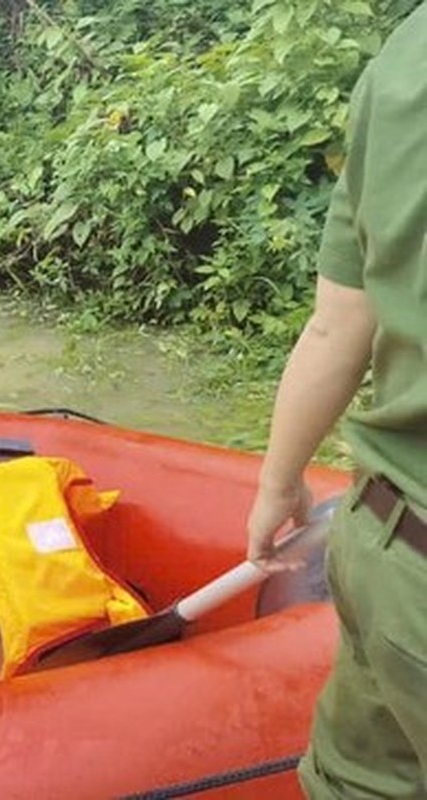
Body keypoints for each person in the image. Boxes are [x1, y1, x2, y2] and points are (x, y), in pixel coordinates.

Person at [244, 6, 426, 797]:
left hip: (384, 546)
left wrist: (277, 483)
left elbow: (335, 325)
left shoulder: (405, 53)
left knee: (355, 784)